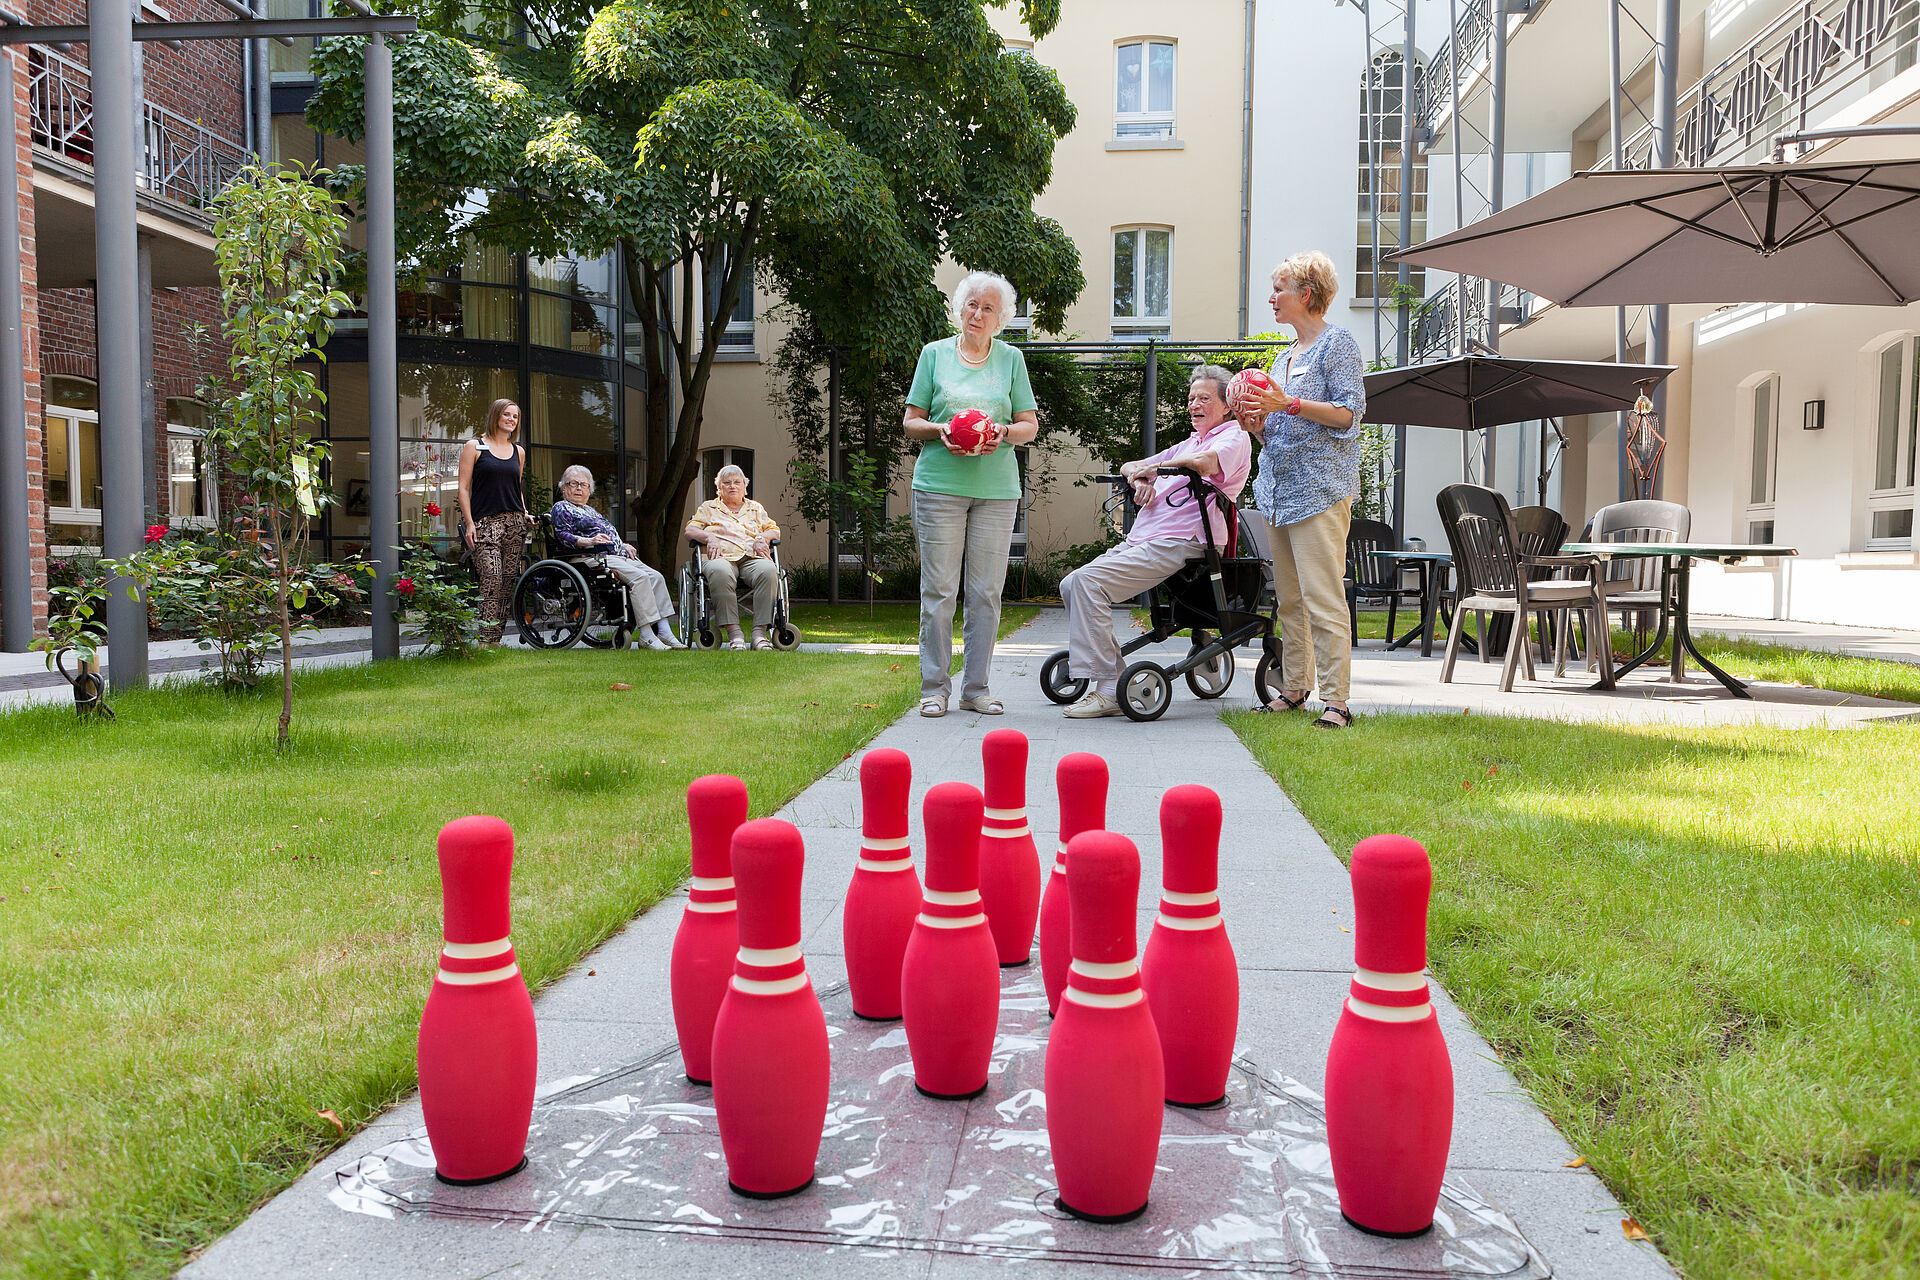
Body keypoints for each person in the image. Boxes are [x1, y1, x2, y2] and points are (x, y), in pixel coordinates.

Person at [1058, 367, 1253, 718]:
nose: (1194, 404)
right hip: (1147, 538)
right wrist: (1140, 478)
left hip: (1182, 539)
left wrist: (1157, 469)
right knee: (1072, 583)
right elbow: (1129, 464)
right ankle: (1098, 672)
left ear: (1226, 406)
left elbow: (1203, 464)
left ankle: (1109, 687)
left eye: (1205, 398)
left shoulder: (1234, 435)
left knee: (1088, 583)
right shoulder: (1191, 441)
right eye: (1192, 398)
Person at [902, 270, 1040, 718]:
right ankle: (934, 688)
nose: (977, 314)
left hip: (996, 492)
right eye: (971, 305)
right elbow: (911, 421)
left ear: (1000, 319)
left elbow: (1029, 426)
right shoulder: (934, 354)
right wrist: (941, 428)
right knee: (939, 589)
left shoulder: (1011, 359)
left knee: (986, 593)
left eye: (988, 309)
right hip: (939, 486)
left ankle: (975, 689)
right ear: (959, 308)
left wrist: (1002, 430)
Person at [1243, 251, 1368, 728]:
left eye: (1280, 289)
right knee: (1290, 600)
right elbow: (1277, 427)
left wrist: (1288, 403)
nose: (1272, 298)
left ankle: (1336, 702)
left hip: (1320, 490)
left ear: (1307, 294)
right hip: (1279, 490)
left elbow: (1349, 415)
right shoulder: (1284, 355)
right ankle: (1295, 689)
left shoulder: (1338, 344)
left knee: (1323, 596)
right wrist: (1255, 423)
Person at [549, 466, 685, 650]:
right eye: (573, 483)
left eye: (584, 485)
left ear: (590, 490)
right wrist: (588, 541)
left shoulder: (590, 510)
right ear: (564, 487)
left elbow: (609, 533)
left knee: (656, 577)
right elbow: (563, 535)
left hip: (612, 554)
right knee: (640, 578)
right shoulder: (561, 507)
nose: (579, 488)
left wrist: (622, 544)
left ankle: (664, 630)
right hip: (588, 557)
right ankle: (646, 634)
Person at [458, 398, 534, 646]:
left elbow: (515, 488)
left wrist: (524, 512)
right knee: (491, 578)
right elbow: (463, 488)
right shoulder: (475, 447)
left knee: (507, 582)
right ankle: (484, 639)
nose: (511, 419)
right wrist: (470, 523)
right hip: (485, 523)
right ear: (495, 416)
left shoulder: (518, 451)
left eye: (515, 416)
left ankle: (495, 641)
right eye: (507, 415)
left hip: (514, 523)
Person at [684, 465, 782, 650]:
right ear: (718, 488)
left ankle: (759, 635)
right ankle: (734, 634)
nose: (732, 486)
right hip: (720, 556)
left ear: (745, 487)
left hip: (751, 556)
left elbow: (774, 530)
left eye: (737, 482)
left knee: (769, 570)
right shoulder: (708, 507)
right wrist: (709, 537)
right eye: (726, 483)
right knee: (720, 571)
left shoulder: (755, 508)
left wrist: (764, 538)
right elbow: (690, 530)